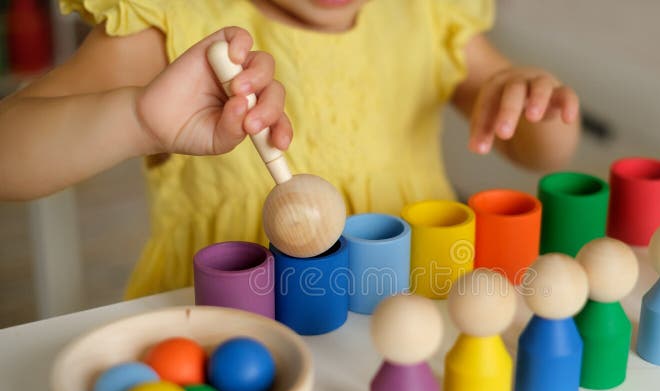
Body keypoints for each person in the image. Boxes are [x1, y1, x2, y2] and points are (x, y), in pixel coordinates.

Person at [0, 0, 580, 298]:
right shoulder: (178, 23)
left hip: (412, 299)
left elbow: (542, 153)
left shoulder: (424, 12)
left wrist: (534, 102)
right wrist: (135, 119)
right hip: (238, 328)